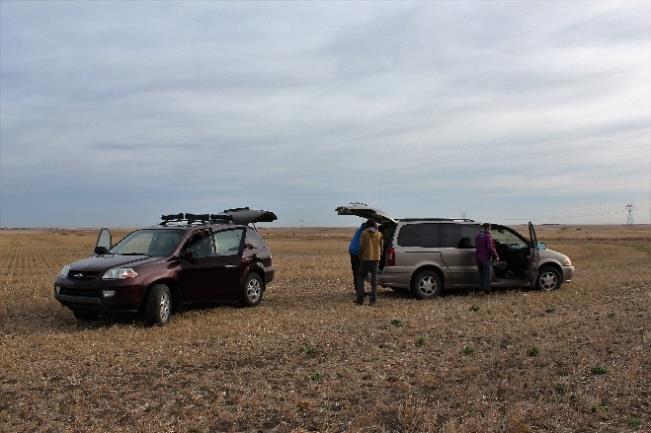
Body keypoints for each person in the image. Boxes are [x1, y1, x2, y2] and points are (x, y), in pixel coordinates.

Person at [356, 219, 383, 305]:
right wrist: (379, 256)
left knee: (361, 278)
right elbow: (381, 248)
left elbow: (361, 247)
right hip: (376, 260)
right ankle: (373, 301)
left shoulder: (364, 233)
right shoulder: (379, 234)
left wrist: (360, 256)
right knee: (374, 281)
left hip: (365, 259)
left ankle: (360, 299)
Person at [475, 223, 499, 294]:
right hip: (485, 258)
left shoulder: (477, 236)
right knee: (487, 275)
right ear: (488, 228)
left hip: (477, 258)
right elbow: (490, 248)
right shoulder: (488, 236)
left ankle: (481, 290)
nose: (490, 229)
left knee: (481, 275)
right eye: (490, 228)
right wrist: (496, 256)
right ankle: (487, 291)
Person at [348, 223, 365, 292]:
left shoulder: (359, 230)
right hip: (357, 252)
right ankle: (360, 290)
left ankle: (357, 289)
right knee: (359, 272)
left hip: (352, 251)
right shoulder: (365, 232)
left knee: (355, 271)